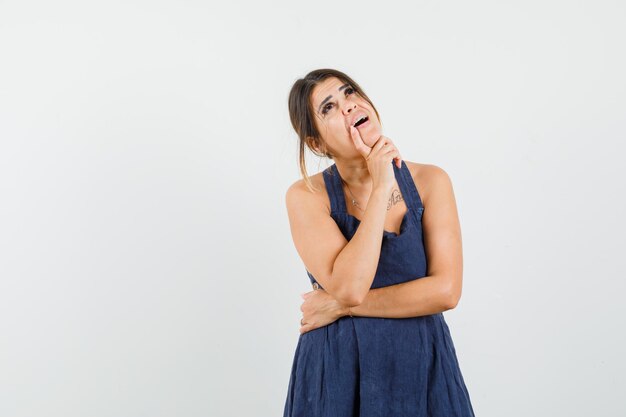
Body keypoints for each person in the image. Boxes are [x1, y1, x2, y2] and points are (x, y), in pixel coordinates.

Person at [282, 68, 475, 416]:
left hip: (422, 368)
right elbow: (351, 286)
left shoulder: (432, 180)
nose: (348, 106)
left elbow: (446, 291)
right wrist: (382, 182)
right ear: (316, 143)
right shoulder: (307, 196)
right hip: (338, 373)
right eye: (328, 107)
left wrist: (338, 306)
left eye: (349, 92)